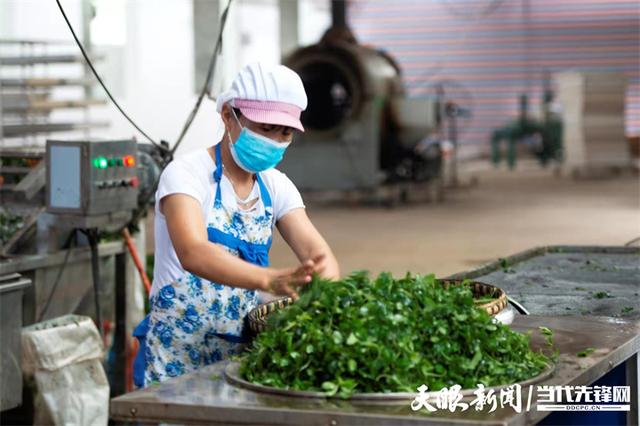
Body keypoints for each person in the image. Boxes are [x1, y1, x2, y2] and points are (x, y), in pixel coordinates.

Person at [133, 62, 340, 387]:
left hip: (238, 363)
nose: (275, 139)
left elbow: (317, 253)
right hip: (176, 360)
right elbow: (194, 251)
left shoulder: (275, 186)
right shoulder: (186, 175)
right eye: (265, 128)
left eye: (284, 132)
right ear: (229, 115)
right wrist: (267, 280)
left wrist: (323, 291)